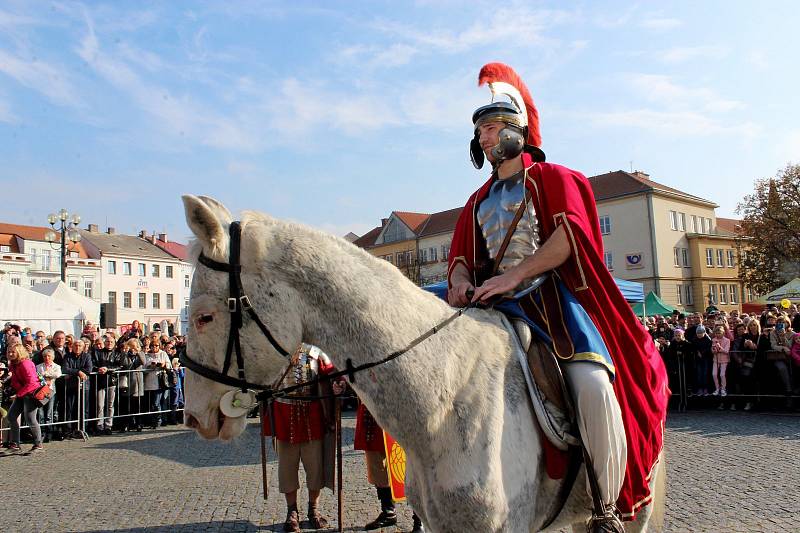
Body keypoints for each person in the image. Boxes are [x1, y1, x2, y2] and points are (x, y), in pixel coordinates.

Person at [446, 62, 668, 527]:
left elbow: (568, 239)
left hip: (548, 300)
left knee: (592, 383)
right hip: (493, 303)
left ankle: (607, 505)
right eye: (480, 130)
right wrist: (462, 282)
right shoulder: (476, 200)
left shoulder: (554, 178)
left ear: (516, 130)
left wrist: (514, 276)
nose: (484, 138)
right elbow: (463, 256)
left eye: (491, 127)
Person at [264, 343, 338, 532]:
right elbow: (263, 376)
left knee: (315, 468)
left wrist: (339, 384)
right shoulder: (276, 347)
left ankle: (313, 509)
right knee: (287, 469)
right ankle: (292, 511)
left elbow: (330, 374)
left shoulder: (316, 351)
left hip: (312, 416)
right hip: (283, 415)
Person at [350, 400, 424, 532]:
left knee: (411, 468)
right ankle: (389, 512)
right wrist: (342, 385)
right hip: (373, 414)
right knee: (377, 468)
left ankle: (419, 519)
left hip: (402, 413)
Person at [3, 343, 44, 453]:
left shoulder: (26, 363)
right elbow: (16, 380)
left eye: (13, 352)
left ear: (19, 352)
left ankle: (38, 445)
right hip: (22, 393)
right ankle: (15, 444)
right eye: (8, 352)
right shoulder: (13, 364)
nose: (10, 354)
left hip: (31, 394)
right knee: (11, 416)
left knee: (30, 418)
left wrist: (18, 394)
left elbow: (32, 383)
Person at [61, 339, 92, 438]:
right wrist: (78, 372)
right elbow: (65, 369)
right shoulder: (67, 356)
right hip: (71, 386)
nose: (77, 347)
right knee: (70, 408)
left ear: (83, 347)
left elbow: (88, 369)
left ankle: (83, 429)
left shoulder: (87, 356)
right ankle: (69, 430)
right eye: (75, 345)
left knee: (84, 408)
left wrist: (73, 372)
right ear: (72, 347)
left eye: (79, 346)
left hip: (84, 386)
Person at [92, 335, 123, 435]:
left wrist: (107, 369)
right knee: (100, 405)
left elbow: (119, 366)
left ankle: (108, 425)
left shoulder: (117, 353)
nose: (109, 344)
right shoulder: (97, 353)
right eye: (107, 342)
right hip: (100, 381)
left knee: (110, 405)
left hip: (111, 381)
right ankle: (99, 425)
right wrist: (98, 369)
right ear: (104, 343)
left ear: (114, 343)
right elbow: (93, 364)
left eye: (111, 342)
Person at [117, 339, 146, 432]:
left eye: (134, 346)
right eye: (131, 346)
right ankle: (125, 424)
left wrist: (138, 352)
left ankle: (138, 423)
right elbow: (123, 364)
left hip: (137, 382)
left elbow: (143, 362)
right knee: (126, 405)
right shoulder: (126, 354)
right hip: (127, 382)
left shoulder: (139, 354)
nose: (132, 348)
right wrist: (125, 352)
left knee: (137, 405)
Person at [35, 348, 62, 442]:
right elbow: (37, 375)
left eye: (49, 356)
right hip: (40, 391)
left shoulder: (56, 366)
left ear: (52, 357)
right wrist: (48, 375)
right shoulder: (38, 366)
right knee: (41, 413)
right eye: (45, 356)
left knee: (49, 413)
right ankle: (42, 433)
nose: (47, 358)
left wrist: (45, 374)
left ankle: (49, 432)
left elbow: (58, 374)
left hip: (51, 391)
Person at [142, 340, 170, 428]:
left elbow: (169, 365)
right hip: (149, 382)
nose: (154, 347)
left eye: (156, 345)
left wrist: (164, 364)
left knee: (156, 402)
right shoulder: (147, 355)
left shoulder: (163, 354)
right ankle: (151, 420)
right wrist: (151, 366)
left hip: (160, 382)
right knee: (150, 403)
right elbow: (144, 367)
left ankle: (158, 420)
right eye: (153, 346)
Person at [691, 325, 713, 396]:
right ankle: (700, 388)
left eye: (700, 333)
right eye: (698, 333)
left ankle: (706, 388)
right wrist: (697, 352)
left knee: (705, 374)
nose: (699, 335)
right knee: (699, 374)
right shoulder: (694, 339)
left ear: (704, 332)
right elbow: (693, 347)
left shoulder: (708, 339)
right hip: (698, 360)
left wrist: (702, 353)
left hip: (706, 359)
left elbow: (709, 348)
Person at [710, 326, 731, 397]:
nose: (717, 334)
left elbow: (726, 351)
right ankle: (717, 388)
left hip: (724, 360)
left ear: (723, 333)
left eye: (719, 333)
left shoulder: (727, 340)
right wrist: (714, 350)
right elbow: (712, 350)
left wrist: (719, 347)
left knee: (722, 375)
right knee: (714, 374)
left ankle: (723, 389)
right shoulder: (713, 340)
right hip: (716, 360)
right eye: (716, 333)